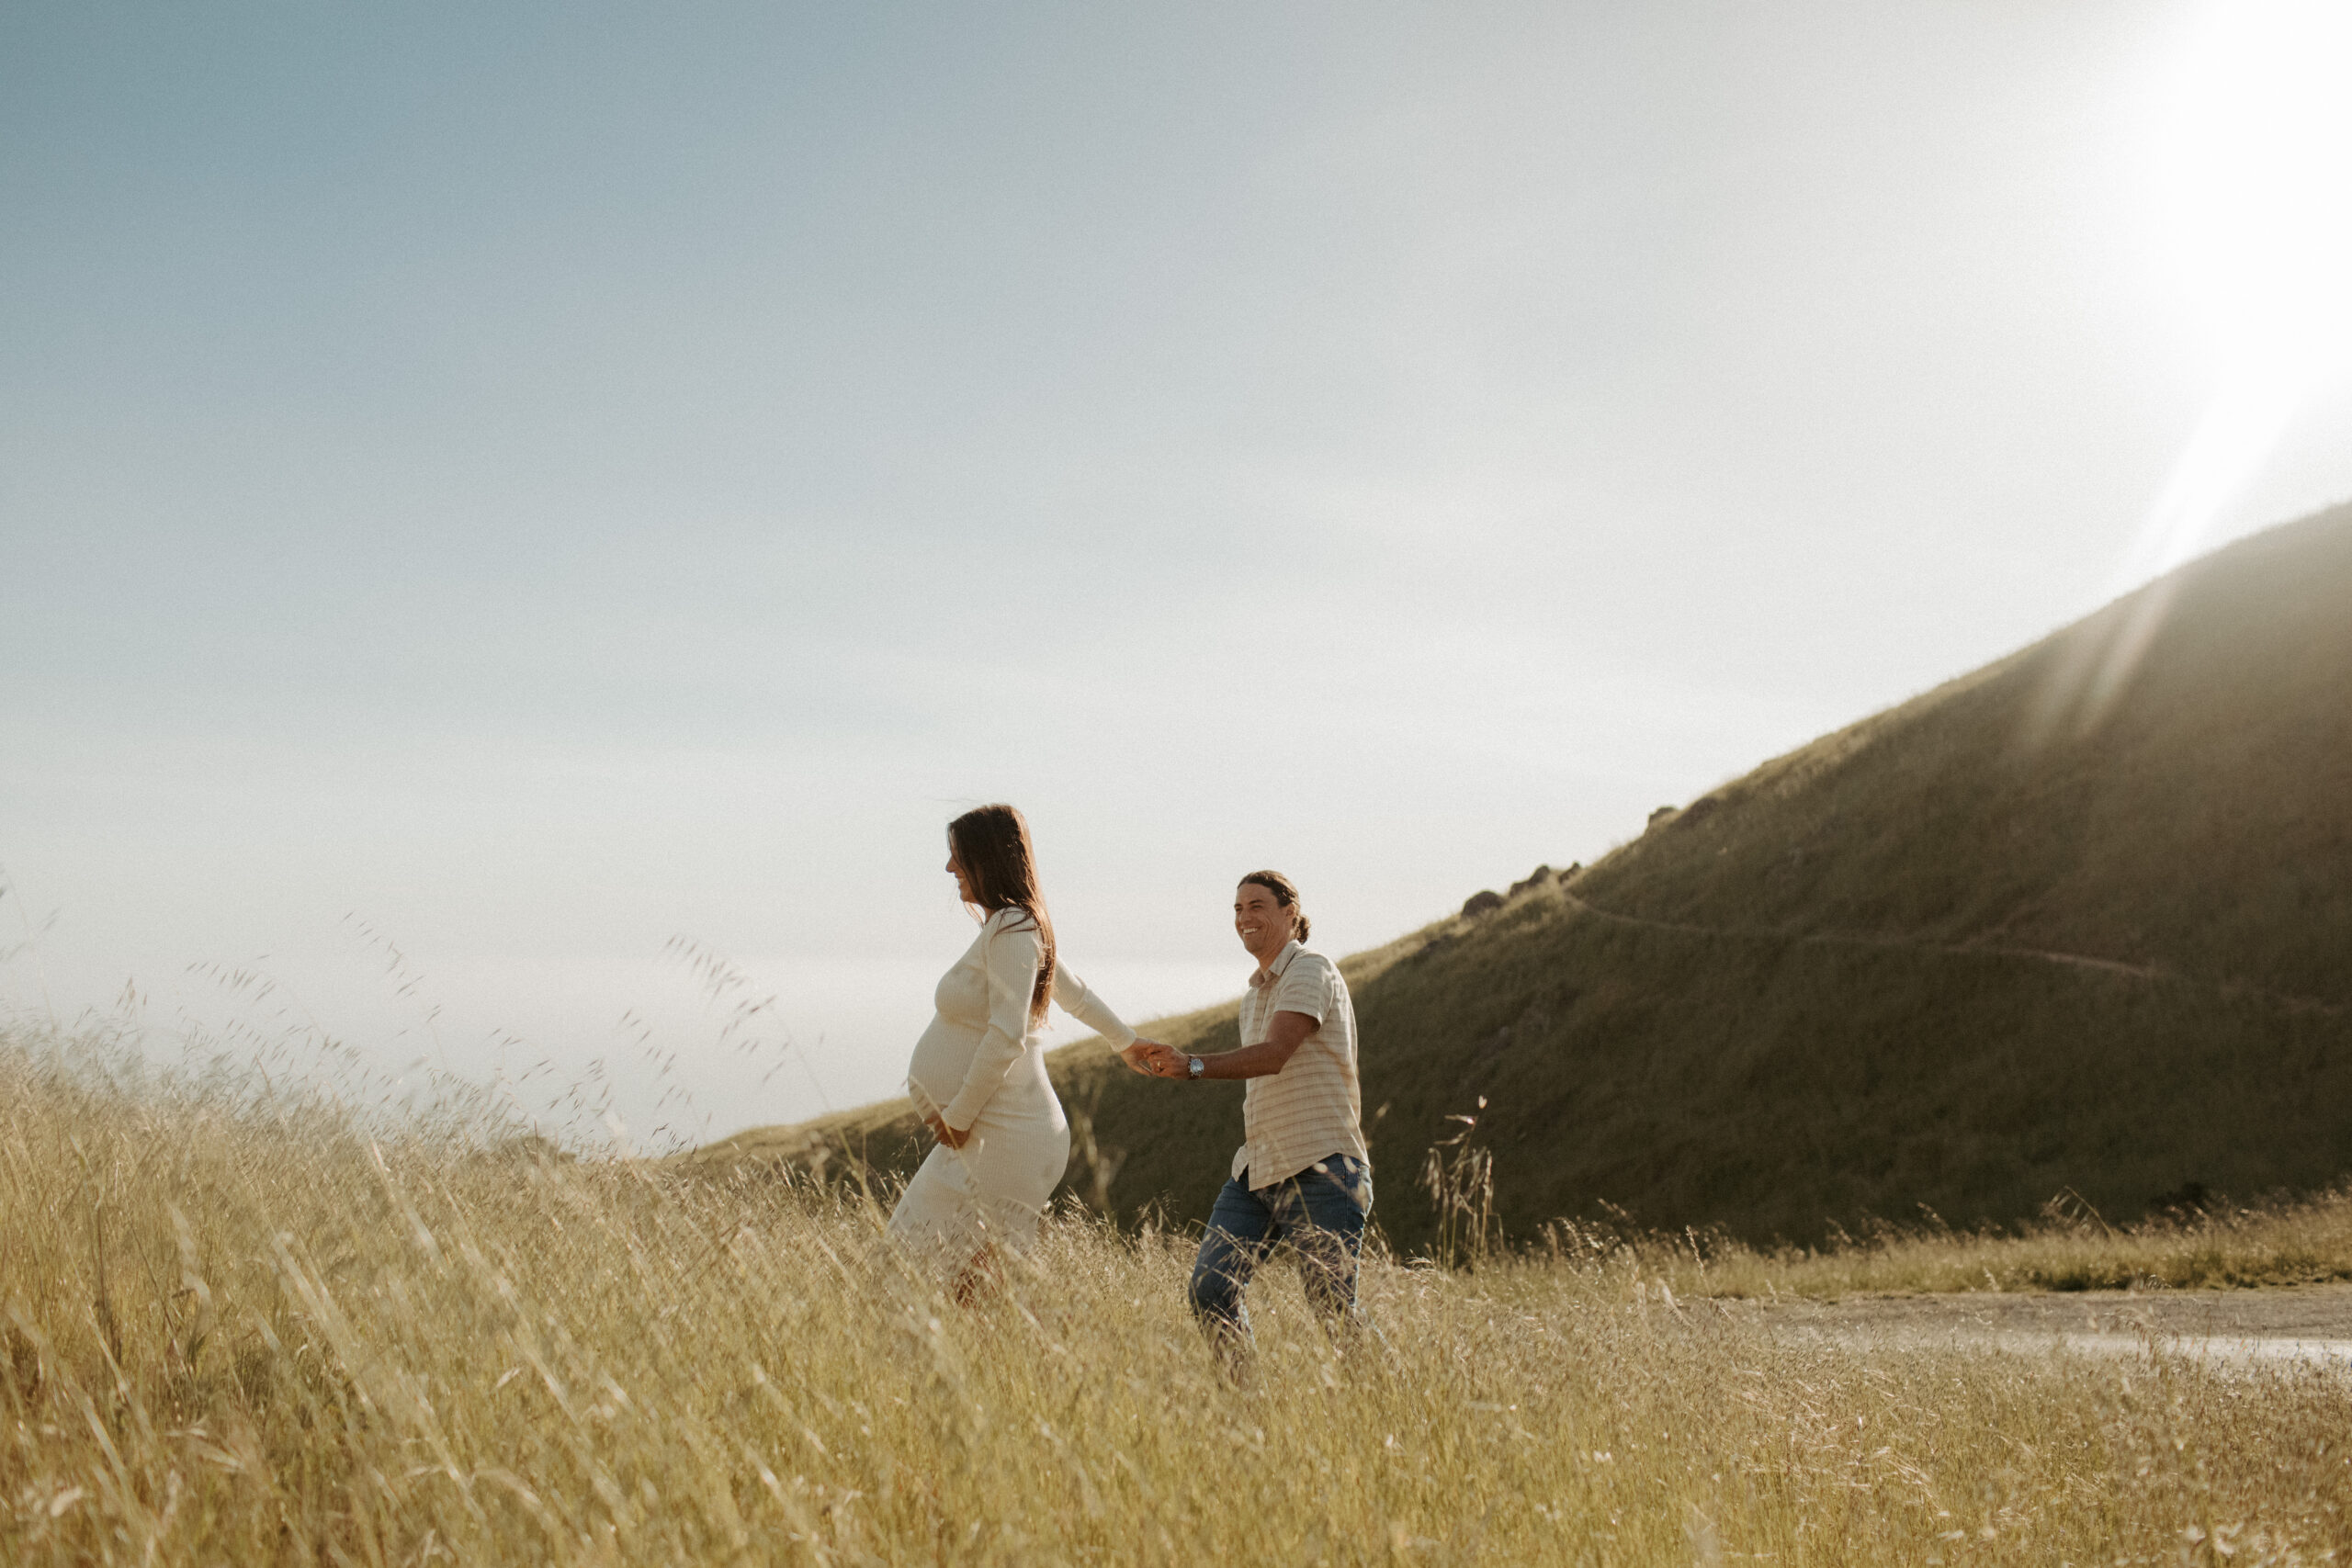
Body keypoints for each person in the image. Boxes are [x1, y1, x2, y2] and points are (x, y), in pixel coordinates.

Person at [888, 803, 1165, 1299]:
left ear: (986, 858)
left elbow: (1006, 1036)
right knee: (963, 1280)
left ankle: (1008, 1369)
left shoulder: (1014, 926)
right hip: (995, 1134)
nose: (950, 868)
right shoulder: (1012, 927)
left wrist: (958, 1115)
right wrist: (1125, 1041)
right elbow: (1073, 991)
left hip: (1002, 1133)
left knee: (929, 1270)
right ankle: (995, 1371)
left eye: (958, 856)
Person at [1136, 870, 1374, 1366]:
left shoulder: (1311, 969)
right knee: (1210, 1290)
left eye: (1257, 906)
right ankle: (1251, 1416)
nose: (1245, 917)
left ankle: (1401, 1411)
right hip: (1257, 1172)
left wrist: (1193, 1065)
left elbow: (1275, 1053)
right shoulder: (1253, 996)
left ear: (1291, 913)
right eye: (1238, 909)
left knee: (1334, 1312)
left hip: (1321, 1166)